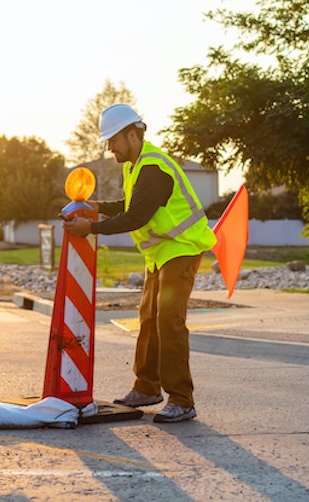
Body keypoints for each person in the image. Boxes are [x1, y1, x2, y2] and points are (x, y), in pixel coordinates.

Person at [63, 103, 216, 423]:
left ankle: (182, 399)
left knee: (168, 321)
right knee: (149, 318)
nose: (109, 147)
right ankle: (146, 388)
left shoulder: (154, 167)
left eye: (113, 140)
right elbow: (130, 204)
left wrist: (90, 227)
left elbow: (136, 216)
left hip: (183, 249)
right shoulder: (134, 166)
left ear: (133, 135)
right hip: (161, 253)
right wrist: (96, 207)